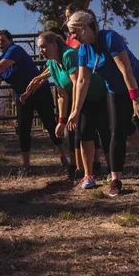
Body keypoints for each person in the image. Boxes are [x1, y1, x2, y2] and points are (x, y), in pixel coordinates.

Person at [66, 11, 139, 197]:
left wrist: (136, 100)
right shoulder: (83, 50)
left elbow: (126, 70)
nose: (71, 37)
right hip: (115, 90)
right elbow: (82, 82)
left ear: (83, 28)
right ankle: (116, 180)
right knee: (116, 132)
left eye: (73, 32)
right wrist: (75, 111)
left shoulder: (110, 38)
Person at [0, 29, 68, 174]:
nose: (0, 44)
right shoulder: (0, 61)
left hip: (40, 91)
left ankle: (63, 157)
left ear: (10, 41)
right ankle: (26, 164)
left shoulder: (15, 50)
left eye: (3, 40)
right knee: (23, 129)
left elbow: (1, 67)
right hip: (22, 96)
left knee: (49, 123)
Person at [32, 31, 111, 188]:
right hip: (83, 100)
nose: (41, 50)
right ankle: (88, 176)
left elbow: (77, 84)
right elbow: (62, 95)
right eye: (39, 48)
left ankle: (112, 170)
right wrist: (61, 121)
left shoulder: (69, 55)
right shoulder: (53, 64)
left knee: (105, 131)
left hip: (99, 95)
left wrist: (74, 111)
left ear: (54, 44)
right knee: (84, 133)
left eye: (43, 46)